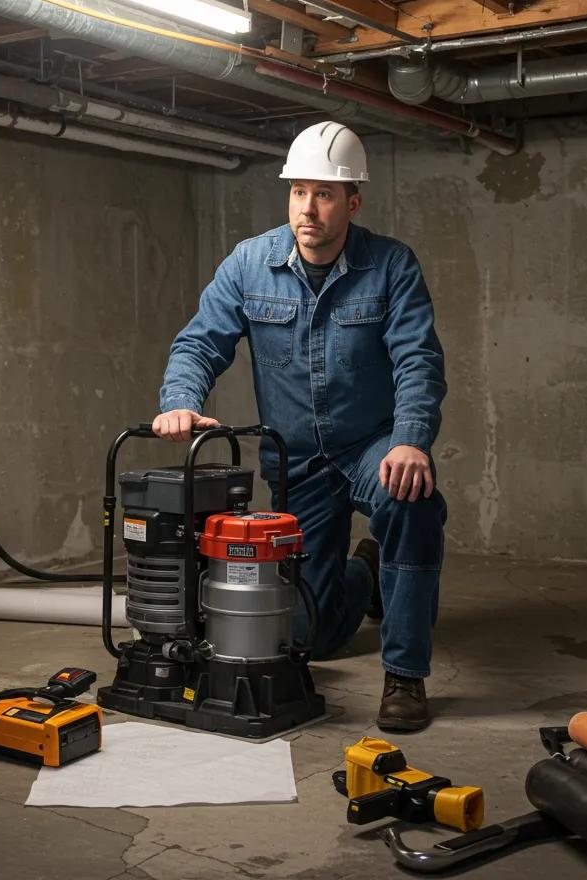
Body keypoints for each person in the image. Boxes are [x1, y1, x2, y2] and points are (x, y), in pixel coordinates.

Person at [152, 121, 447, 732]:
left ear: (353, 201)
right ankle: (364, 572)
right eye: (297, 192)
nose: (307, 209)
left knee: (413, 501)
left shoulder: (391, 265)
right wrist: (180, 400)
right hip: (296, 461)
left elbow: (419, 359)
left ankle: (405, 674)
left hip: (371, 445)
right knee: (313, 639)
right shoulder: (249, 264)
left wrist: (412, 440)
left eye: (325, 194)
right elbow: (200, 343)